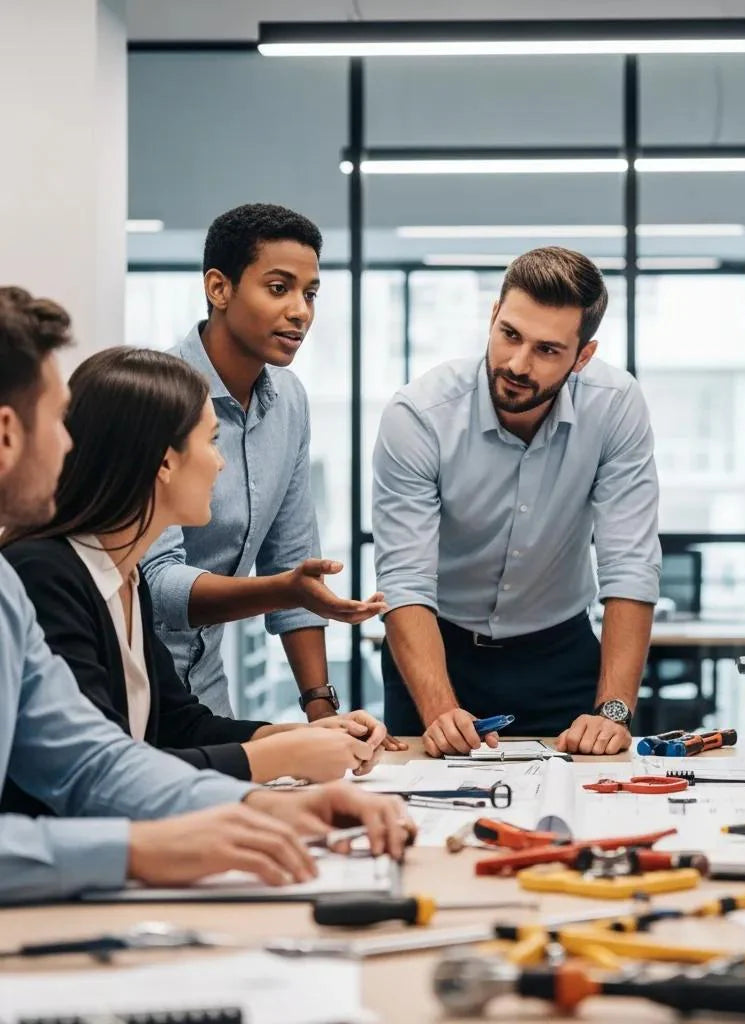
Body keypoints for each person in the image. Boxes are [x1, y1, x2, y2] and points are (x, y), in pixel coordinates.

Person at [0, 285, 411, 905]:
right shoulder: (38, 574)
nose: (69, 443)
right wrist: (141, 849)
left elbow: (92, 761)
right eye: (58, 421)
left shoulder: (13, 585)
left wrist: (261, 800)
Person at [373, 247, 661, 757]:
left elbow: (630, 564)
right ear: (492, 317)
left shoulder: (615, 406)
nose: (517, 364)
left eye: (548, 350)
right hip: (436, 652)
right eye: (509, 335)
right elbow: (405, 580)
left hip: (559, 654)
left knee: (585, 806)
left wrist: (614, 711)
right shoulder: (419, 415)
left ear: (582, 357)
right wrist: (440, 710)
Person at [142, 203, 392, 726]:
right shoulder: (159, 394)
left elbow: (292, 554)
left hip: (205, 691)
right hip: (132, 682)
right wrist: (283, 588)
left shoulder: (290, 400)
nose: (301, 310)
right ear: (219, 288)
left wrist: (321, 710)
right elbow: (158, 586)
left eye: (310, 293)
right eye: (279, 288)